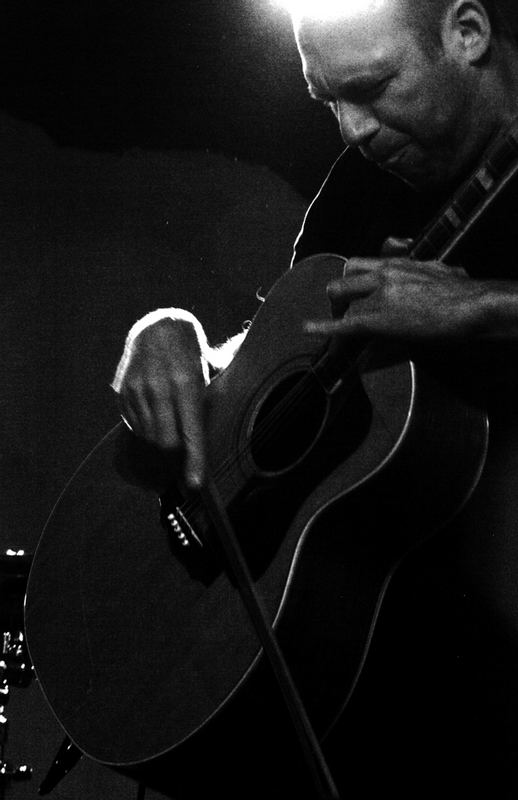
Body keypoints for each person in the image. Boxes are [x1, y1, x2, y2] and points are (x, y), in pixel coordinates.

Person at [112, 0, 518, 796]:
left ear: (466, 34)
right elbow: (286, 346)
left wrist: (487, 306)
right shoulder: (359, 187)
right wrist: (171, 336)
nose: (353, 130)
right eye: (327, 101)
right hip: (387, 672)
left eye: (371, 86)